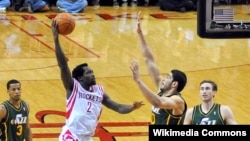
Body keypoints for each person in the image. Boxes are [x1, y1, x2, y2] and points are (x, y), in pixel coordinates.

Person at [51, 20, 144, 141]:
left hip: (88, 137)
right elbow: (63, 65)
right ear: (80, 78)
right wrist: (56, 40)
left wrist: (132, 107)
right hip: (71, 135)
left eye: (93, 72)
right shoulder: (73, 87)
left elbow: (118, 107)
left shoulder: (99, 92)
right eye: (89, 73)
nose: (93, 75)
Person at [130, 12, 187, 125]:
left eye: (168, 77)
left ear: (174, 84)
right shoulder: (162, 88)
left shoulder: (177, 101)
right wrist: (140, 33)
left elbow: (158, 102)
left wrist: (138, 81)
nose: (164, 78)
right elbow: (149, 59)